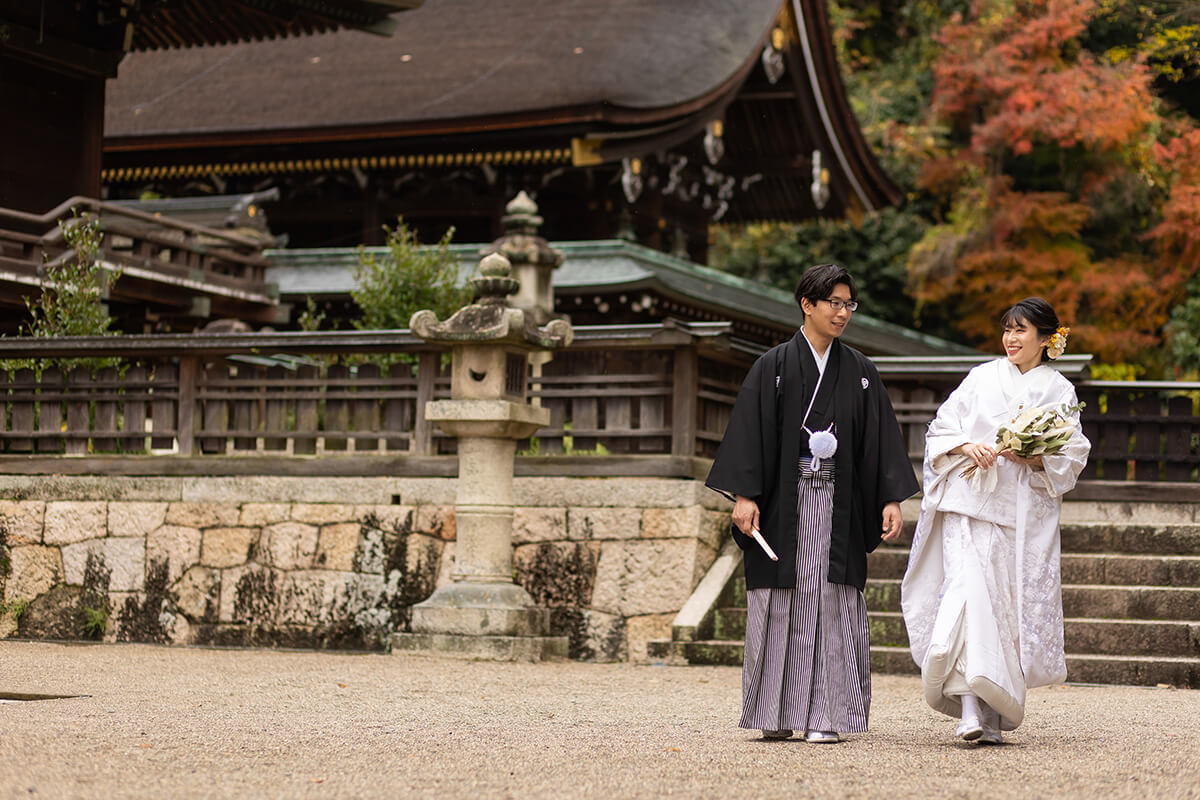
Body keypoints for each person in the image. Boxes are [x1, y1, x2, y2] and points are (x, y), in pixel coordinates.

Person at [706, 263, 920, 744]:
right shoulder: (774, 366)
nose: (844, 313)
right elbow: (750, 434)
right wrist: (744, 495)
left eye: (849, 305)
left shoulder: (861, 371)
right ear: (808, 304)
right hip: (785, 500)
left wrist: (890, 498)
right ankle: (776, 713)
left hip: (840, 502)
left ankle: (827, 714)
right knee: (781, 600)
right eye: (835, 303)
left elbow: (878, 439)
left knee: (832, 598)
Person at [900, 297, 1090, 745]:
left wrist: (1036, 456)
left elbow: (1074, 452)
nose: (1011, 338)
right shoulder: (981, 377)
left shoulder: (1059, 390)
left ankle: (992, 714)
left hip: (1016, 517)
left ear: (1047, 339)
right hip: (969, 507)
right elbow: (941, 429)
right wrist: (967, 446)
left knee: (1003, 610)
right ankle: (967, 707)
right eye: (1007, 329)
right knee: (967, 596)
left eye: (1022, 330)